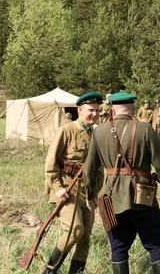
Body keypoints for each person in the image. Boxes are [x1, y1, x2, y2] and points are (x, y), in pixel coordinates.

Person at [84, 92, 160, 274]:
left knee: (118, 248)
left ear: (113, 110)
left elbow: (90, 169)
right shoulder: (144, 128)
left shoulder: (98, 132)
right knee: (156, 244)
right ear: (133, 109)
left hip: (112, 198)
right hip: (143, 197)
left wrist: (90, 194)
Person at [43, 92, 105, 274]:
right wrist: (57, 188)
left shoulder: (97, 135)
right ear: (80, 110)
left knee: (85, 239)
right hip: (66, 190)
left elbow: (99, 170)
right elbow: (51, 163)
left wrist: (94, 193)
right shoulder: (67, 130)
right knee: (75, 230)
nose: (95, 114)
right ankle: (48, 272)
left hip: (87, 193)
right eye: (90, 110)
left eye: (97, 110)